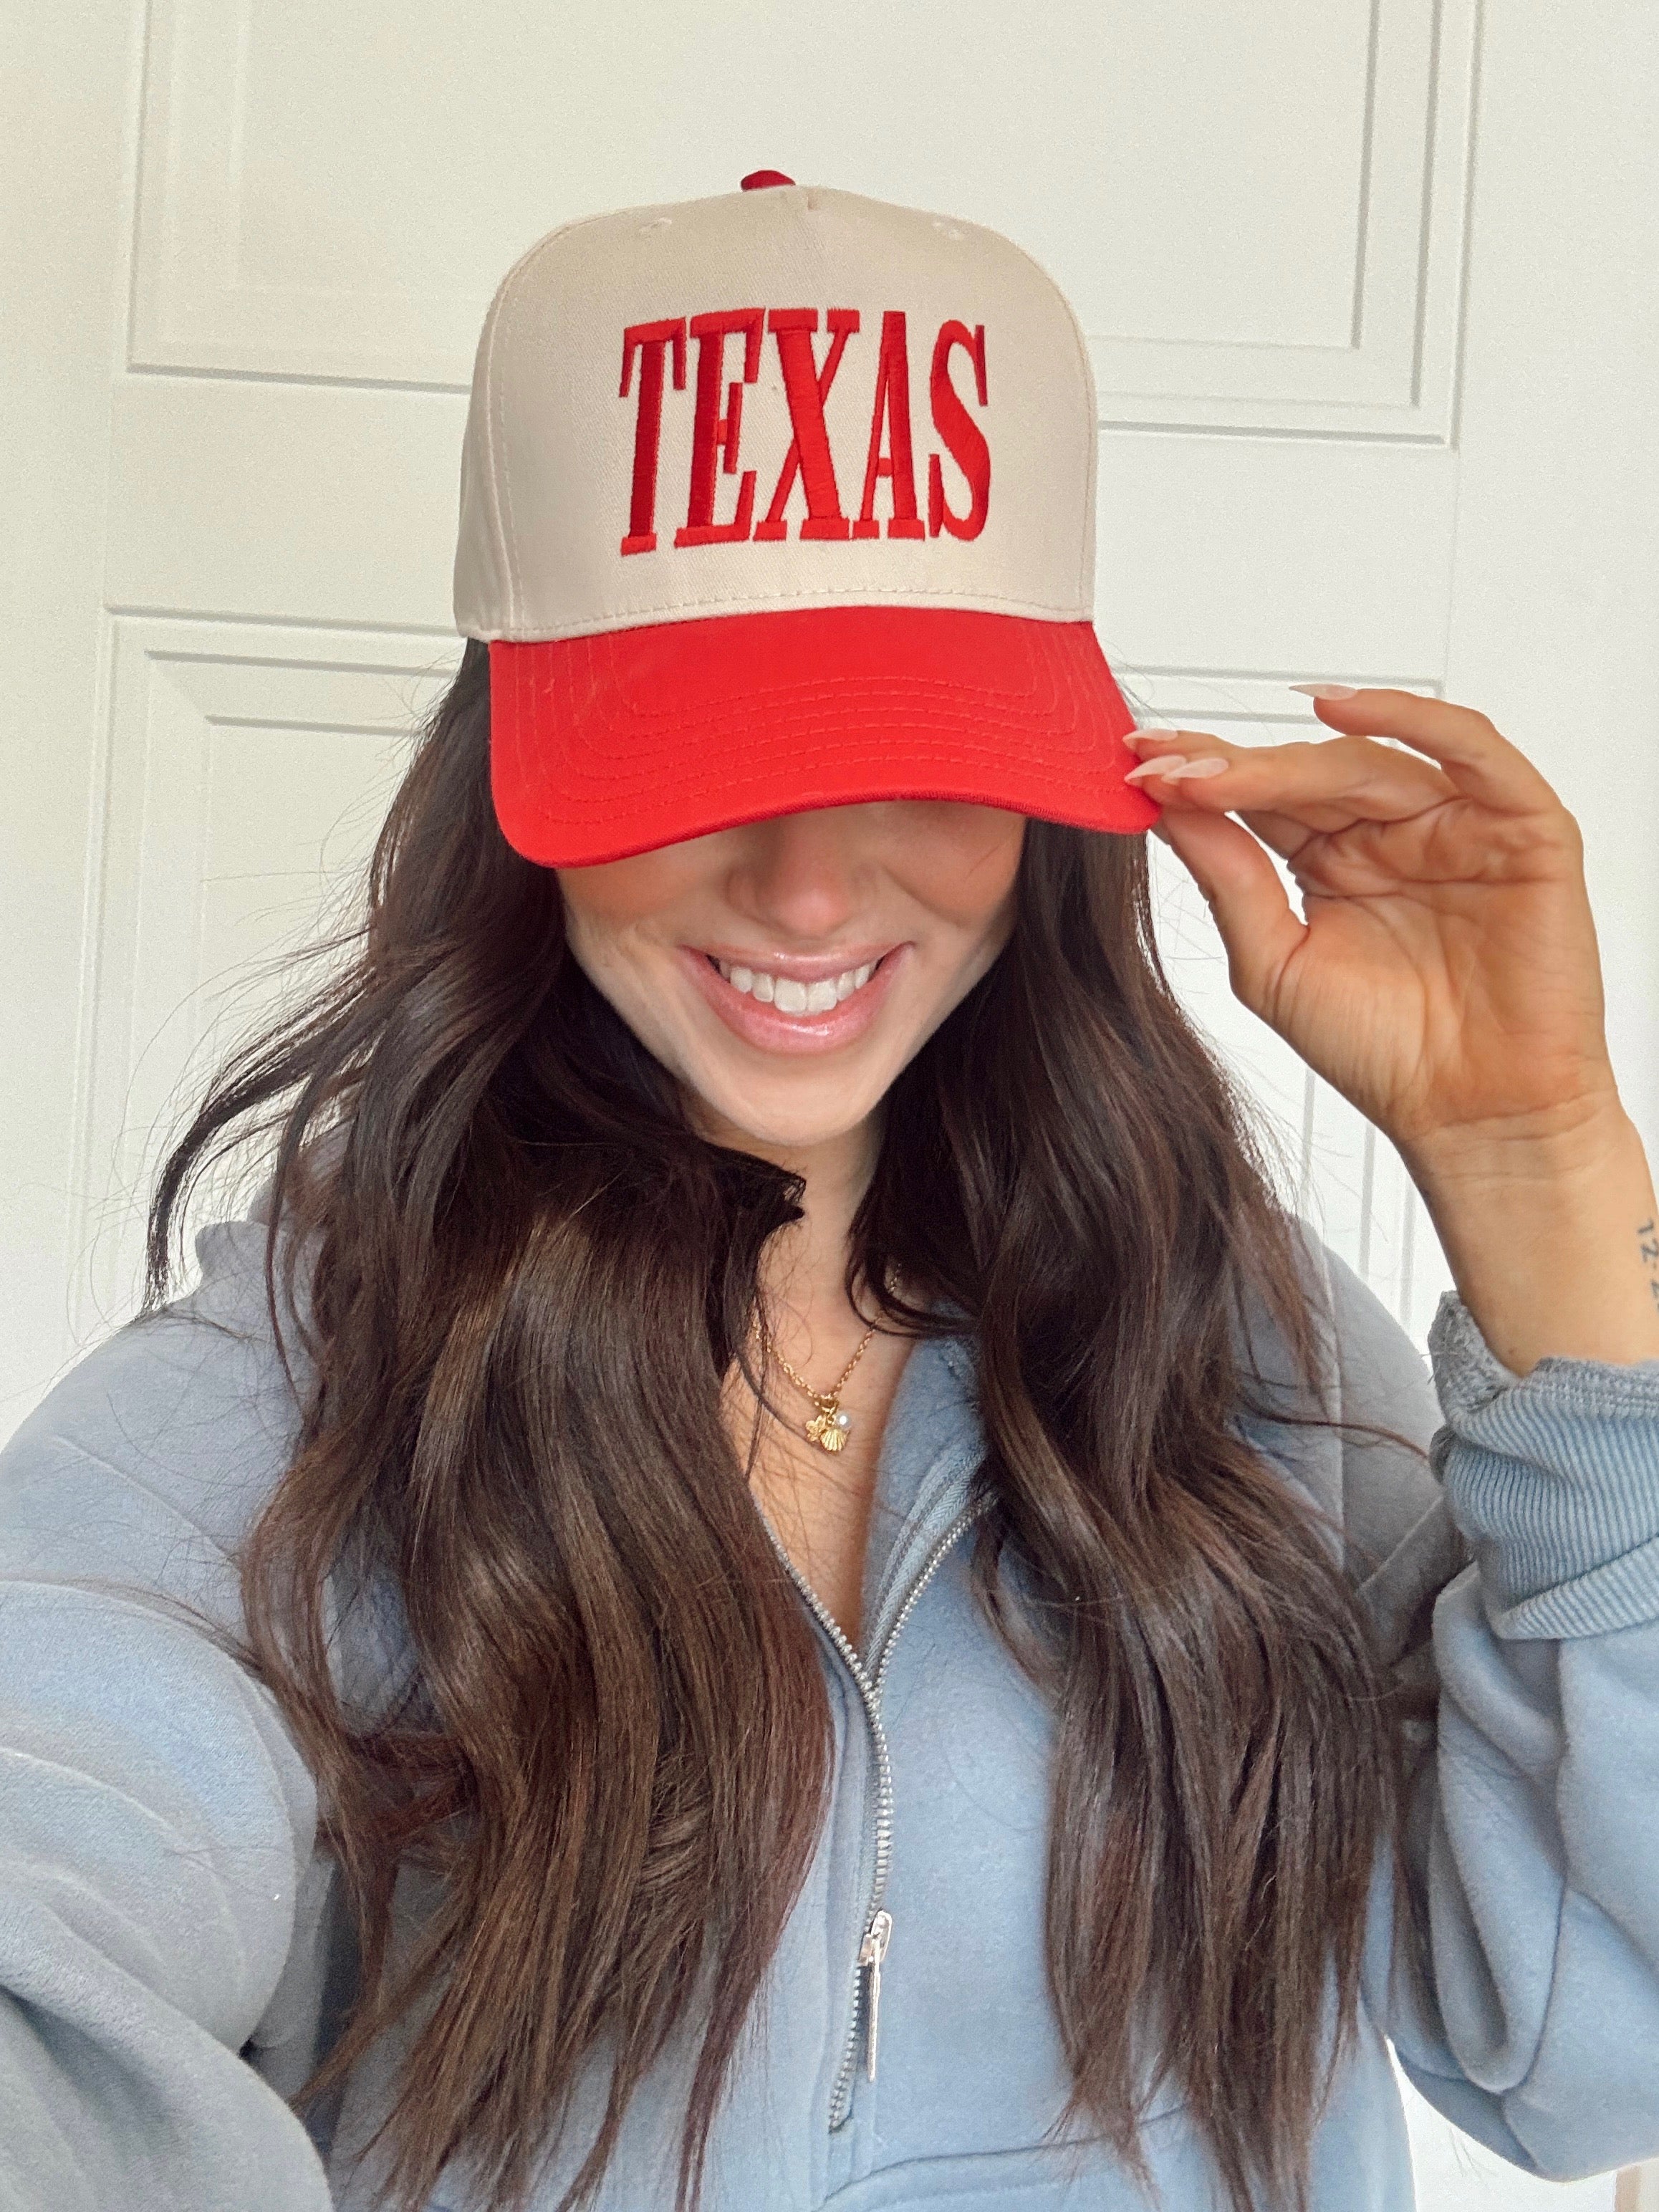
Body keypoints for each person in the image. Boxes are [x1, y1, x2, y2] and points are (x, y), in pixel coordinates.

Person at [3, 173, 1658, 2212]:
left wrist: (1537, 1167)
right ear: (504, 770)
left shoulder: (1229, 1351)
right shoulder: (282, 1399)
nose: (804, 890)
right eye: (691, 762)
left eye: (911, 760)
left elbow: (1587, 2044)